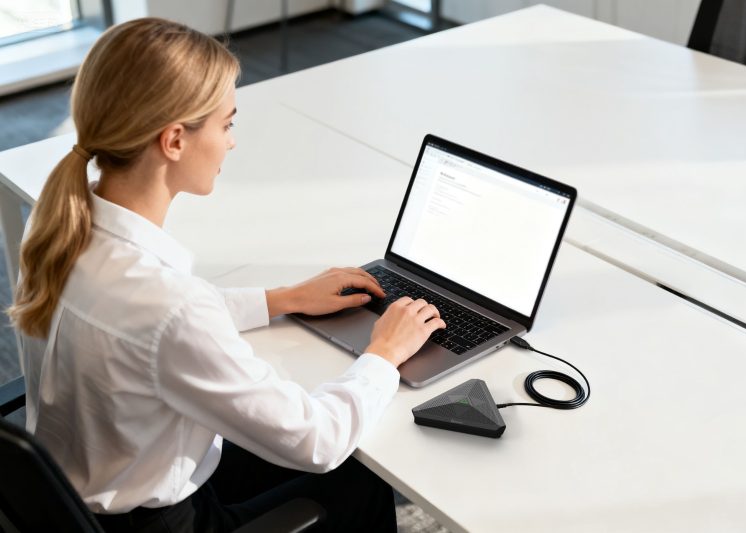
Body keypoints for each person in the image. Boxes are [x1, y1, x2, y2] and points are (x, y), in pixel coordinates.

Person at [7, 17, 445, 533]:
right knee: (357, 473)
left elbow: (148, 323)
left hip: (79, 492)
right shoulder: (169, 306)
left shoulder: (58, 227)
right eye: (226, 124)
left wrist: (282, 298)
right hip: (162, 522)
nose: (232, 143)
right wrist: (385, 353)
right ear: (174, 140)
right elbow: (318, 441)